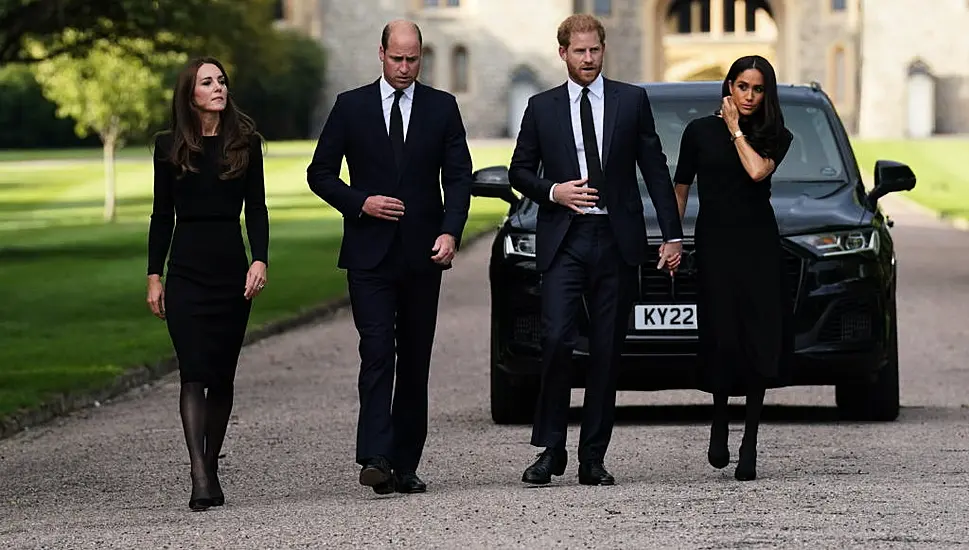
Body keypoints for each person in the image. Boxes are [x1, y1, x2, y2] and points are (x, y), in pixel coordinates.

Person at [508, 14, 684, 487]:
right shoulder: (541, 108)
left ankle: (593, 457)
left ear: (603, 50)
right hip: (565, 238)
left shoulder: (632, 100)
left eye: (595, 50)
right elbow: (519, 171)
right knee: (558, 340)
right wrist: (554, 192)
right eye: (579, 51)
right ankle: (551, 449)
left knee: (607, 350)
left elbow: (655, 167)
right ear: (562, 53)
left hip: (616, 239)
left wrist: (672, 234)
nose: (588, 59)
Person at [306, 20, 473, 495]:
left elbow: (459, 177)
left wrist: (451, 232)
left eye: (413, 59)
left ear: (422, 57)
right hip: (368, 255)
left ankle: (405, 463)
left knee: (415, 359)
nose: (404, 68)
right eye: (397, 58)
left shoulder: (442, 108)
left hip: (423, 254)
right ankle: (375, 454)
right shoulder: (351, 106)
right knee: (377, 351)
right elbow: (320, 173)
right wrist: (361, 202)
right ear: (380, 53)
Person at [146, 57, 269, 510]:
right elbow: (161, 215)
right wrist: (153, 274)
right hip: (186, 272)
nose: (218, 87)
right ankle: (200, 474)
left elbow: (256, 208)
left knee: (222, 375)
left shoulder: (245, 143)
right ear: (190, 93)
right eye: (207, 82)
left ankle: (211, 464)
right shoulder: (168, 146)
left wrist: (260, 259)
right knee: (193, 371)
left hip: (230, 272)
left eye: (221, 80)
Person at [672, 55, 794, 482]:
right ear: (729, 85)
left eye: (758, 89)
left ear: (767, 94)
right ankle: (720, 420)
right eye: (743, 86)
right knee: (722, 334)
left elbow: (757, 171)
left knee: (757, 336)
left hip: (758, 245)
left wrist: (736, 131)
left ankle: (751, 443)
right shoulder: (698, 132)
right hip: (715, 244)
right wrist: (674, 238)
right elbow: (681, 187)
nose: (749, 95)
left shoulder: (775, 134)